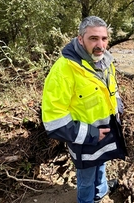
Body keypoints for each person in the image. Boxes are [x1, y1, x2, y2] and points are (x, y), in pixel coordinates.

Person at [41, 16, 127, 203]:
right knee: (86, 178)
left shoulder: (105, 60)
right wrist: (91, 134)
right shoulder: (64, 69)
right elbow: (53, 119)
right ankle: (87, 200)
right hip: (84, 138)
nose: (100, 44)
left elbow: (111, 88)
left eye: (104, 39)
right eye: (93, 38)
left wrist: (117, 105)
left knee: (102, 163)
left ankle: (101, 192)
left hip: (105, 131)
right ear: (80, 39)